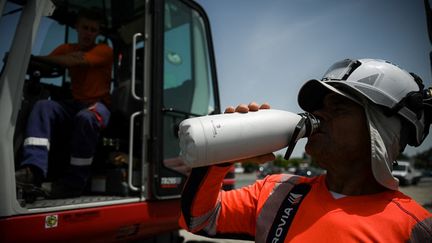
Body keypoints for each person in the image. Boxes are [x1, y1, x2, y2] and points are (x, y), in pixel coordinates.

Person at [179, 59, 432, 242]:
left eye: (339, 108)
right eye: (319, 107)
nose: (318, 114)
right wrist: (222, 156)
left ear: (382, 130)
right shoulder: (277, 192)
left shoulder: (415, 228)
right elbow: (199, 219)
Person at [15, 8, 113, 199]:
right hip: (74, 104)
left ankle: (73, 183)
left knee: (85, 118)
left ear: (98, 33)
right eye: (85, 28)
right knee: (43, 106)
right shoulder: (67, 48)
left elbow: (75, 62)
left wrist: (70, 60)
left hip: (98, 105)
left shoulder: (104, 50)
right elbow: (50, 61)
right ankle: (32, 171)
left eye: (93, 30)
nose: (88, 33)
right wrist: (41, 59)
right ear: (77, 27)